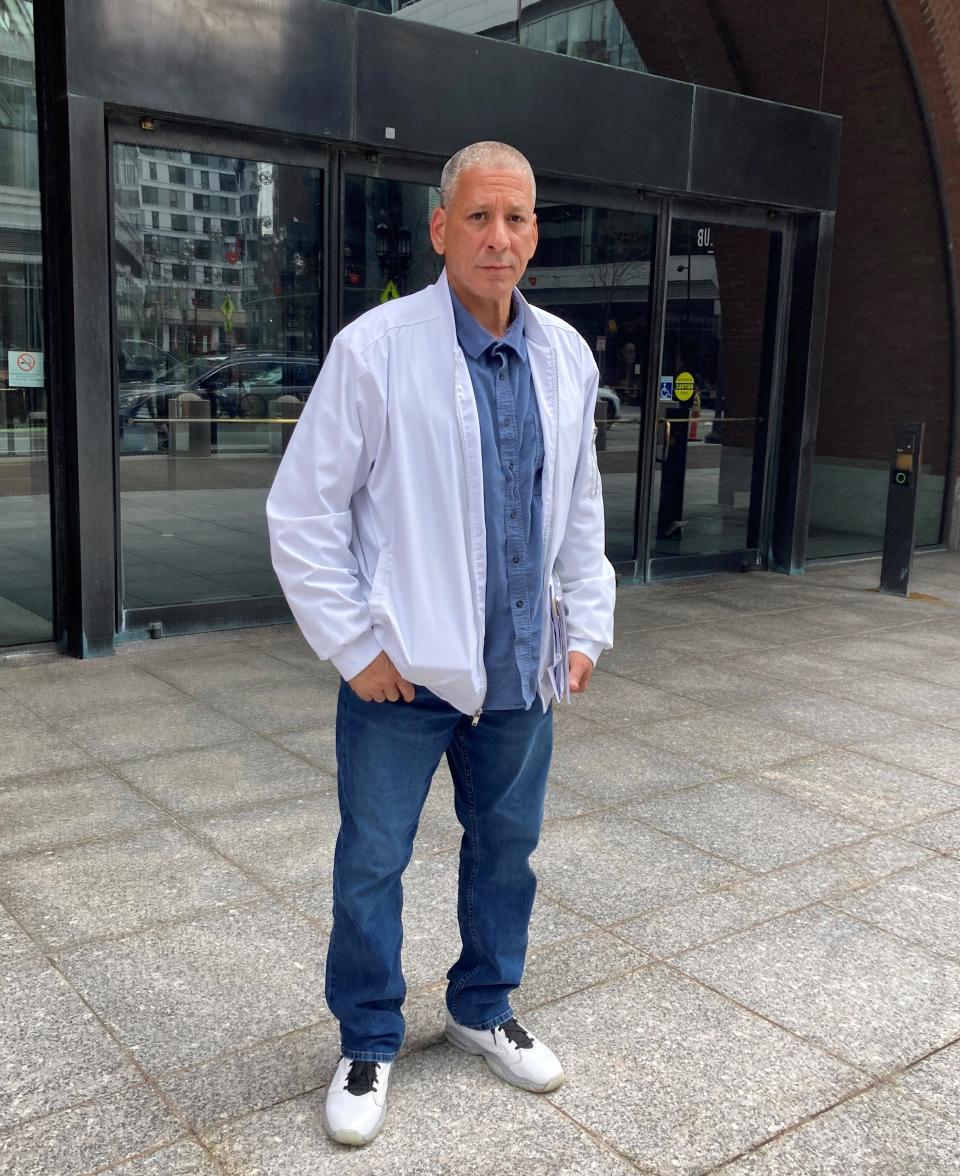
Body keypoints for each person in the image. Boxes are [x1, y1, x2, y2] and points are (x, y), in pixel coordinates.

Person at [267, 141, 615, 1147]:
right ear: (440, 230)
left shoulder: (568, 357)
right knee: (373, 859)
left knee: (507, 851)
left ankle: (481, 1005)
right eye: (478, 218)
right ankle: (369, 1037)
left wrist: (585, 625)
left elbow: (579, 509)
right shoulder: (377, 350)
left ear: (536, 233)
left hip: (520, 671)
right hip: (401, 677)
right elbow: (302, 513)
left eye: (516, 219)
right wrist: (353, 645)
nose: (498, 239)